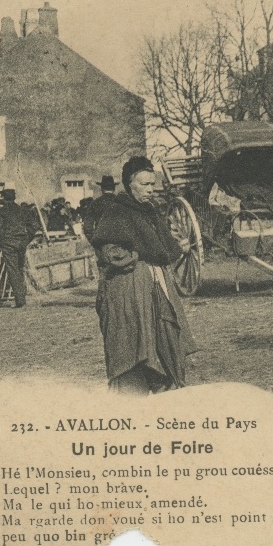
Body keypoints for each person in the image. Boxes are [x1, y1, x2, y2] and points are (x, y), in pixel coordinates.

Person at [91, 156, 197, 395]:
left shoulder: (150, 212)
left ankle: (163, 388)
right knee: (133, 344)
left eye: (152, 184)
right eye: (144, 184)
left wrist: (173, 246)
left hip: (156, 288)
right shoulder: (116, 213)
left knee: (163, 337)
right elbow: (111, 253)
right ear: (129, 185)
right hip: (128, 291)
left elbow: (162, 246)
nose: (150, 189)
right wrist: (139, 257)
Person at [0, 188, 40, 308]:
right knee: (20, 268)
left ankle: (20, 300)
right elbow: (35, 225)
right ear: (14, 198)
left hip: (9, 244)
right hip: (21, 243)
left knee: (13, 271)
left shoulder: (0, 212)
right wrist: (27, 238)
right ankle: (22, 297)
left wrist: (1, 242)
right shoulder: (22, 210)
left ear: (3, 198)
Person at [83, 175, 117, 240]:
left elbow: (87, 226)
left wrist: (93, 240)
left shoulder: (95, 203)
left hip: (101, 240)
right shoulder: (122, 202)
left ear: (101, 188)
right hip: (119, 242)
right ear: (114, 188)